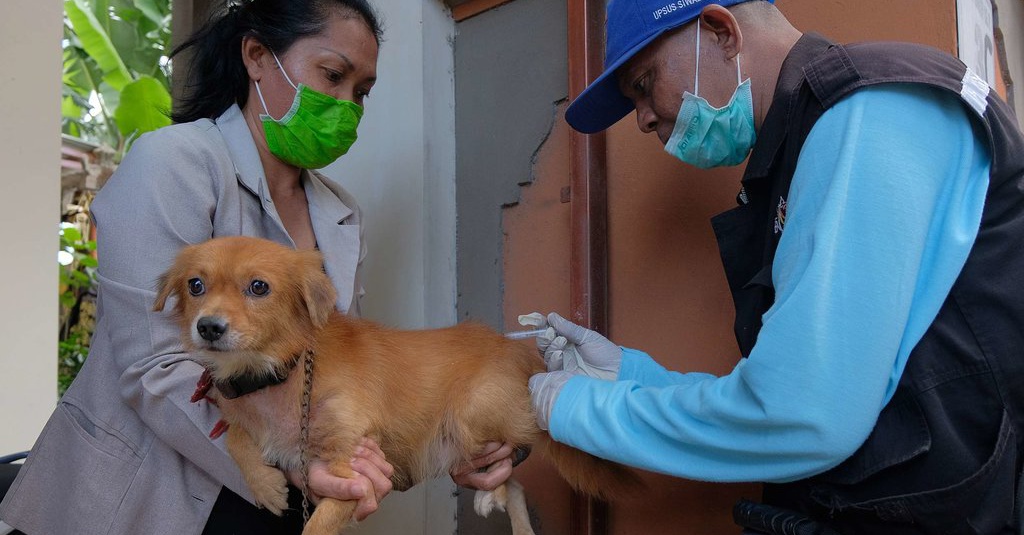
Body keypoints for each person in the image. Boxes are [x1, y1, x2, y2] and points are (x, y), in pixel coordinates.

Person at [0, 1, 507, 533]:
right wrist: (295, 461)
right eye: (332, 75)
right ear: (258, 57)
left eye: (361, 92)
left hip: (281, 503)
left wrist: (442, 443)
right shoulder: (172, 162)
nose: (345, 105)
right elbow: (152, 366)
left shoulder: (340, 214)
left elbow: (333, 369)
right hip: (145, 496)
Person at [527, 1, 1024, 533]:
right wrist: (628, 377)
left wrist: (580, 410)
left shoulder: (868, 110)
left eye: (644, 84)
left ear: (721, 31)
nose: (644, 117)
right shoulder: (812, 139)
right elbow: (802, 387)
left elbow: (803, 414)